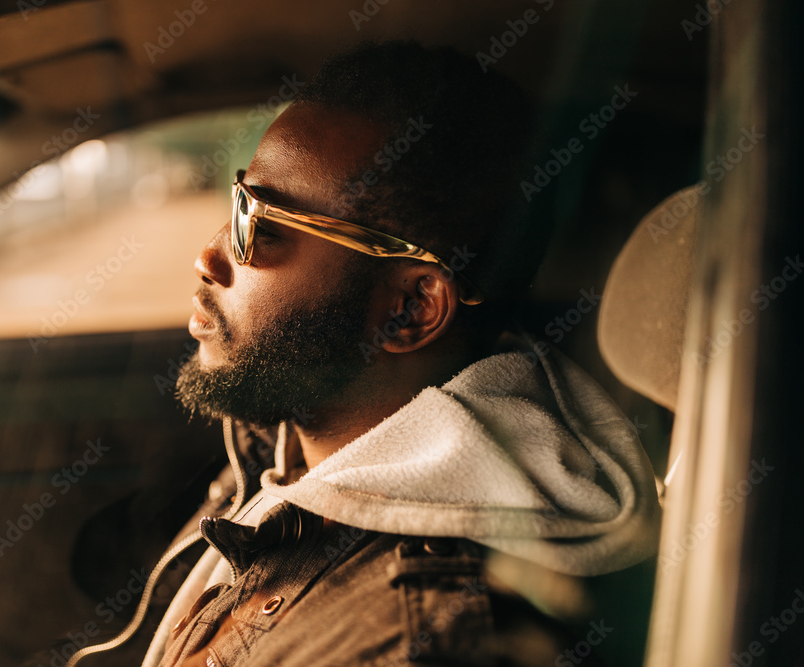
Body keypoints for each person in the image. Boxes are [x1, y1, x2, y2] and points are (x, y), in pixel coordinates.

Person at [68, 40, 661, 667]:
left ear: (411, 308)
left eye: (264, 225)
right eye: (239, 202)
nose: (208, 256)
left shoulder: (410, 643)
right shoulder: (288, 431)